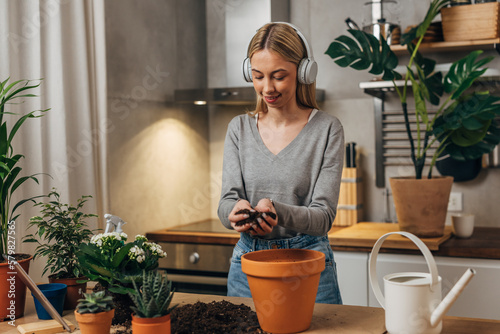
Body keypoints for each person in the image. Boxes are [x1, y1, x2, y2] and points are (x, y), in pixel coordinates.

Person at [217, 22, 344, 304]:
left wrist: (277, 212)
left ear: (303, 73)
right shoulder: (238, 128)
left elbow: (323, 217)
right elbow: (226, 202)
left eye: (278, 76)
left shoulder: (327, 129)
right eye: (258, 76)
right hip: (248, 263)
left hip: (307, 262)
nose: (267, 88)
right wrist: (234, 212)